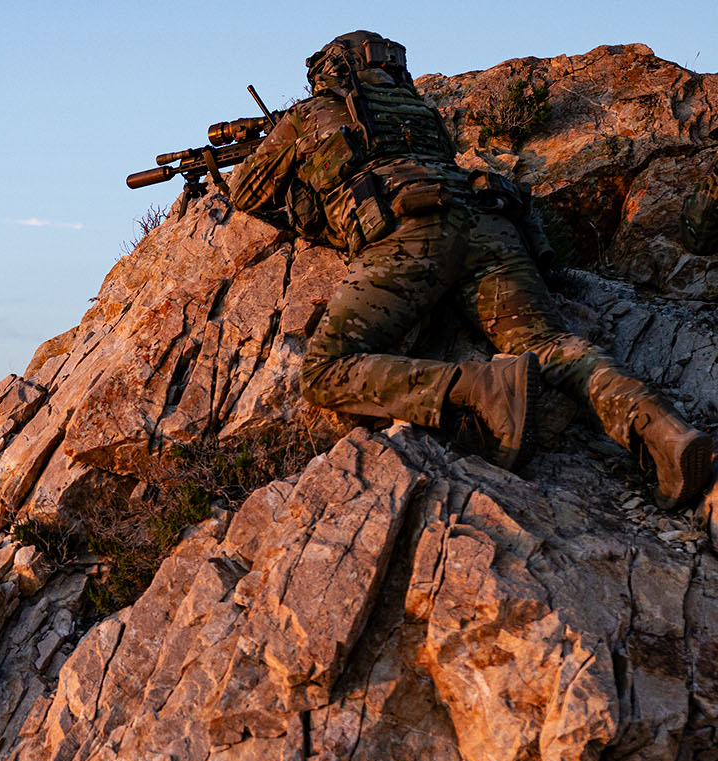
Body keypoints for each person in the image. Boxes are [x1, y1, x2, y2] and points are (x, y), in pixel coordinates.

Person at [226, 31, 713, 510]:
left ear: (334, 68)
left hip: (411, 233)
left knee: (325, 369)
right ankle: (666, 433)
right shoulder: (421, 115)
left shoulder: (310, 114)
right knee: (548, 345)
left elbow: (246, 193)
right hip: (488, 223)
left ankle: (482, 388)